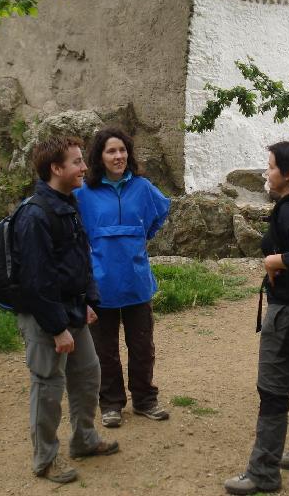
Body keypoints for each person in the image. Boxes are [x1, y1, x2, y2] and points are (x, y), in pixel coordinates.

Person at [224, 140, 289, 496]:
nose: (266, 173)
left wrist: (274, 261)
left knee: (272, 391)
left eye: (270, 167)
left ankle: (263, 474)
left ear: (288, 174)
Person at [14, 135, 119, 485]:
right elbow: (36, 280)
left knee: (88, 374)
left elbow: (80, 257)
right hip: (47, 317)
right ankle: (45, 459)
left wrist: (89, 300)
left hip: (73, 310)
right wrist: (57, 327)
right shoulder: (35, 215)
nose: (85, 167)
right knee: (47, 386)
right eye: (76, 162)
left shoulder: (67, 203)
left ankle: (84, 439)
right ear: (56, 168)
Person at [74, 128, 171, 429]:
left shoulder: (142, 187)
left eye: (122, 151)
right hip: (100, 283)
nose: (118, 156)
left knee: (142, 346)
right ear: (99, 157)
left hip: (136, 280)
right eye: (111, 151)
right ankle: (111, 403)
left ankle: (145, 400)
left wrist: (140, 238)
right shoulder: (82, 194)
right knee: (105, 350)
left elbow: (159, 212)